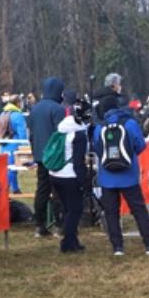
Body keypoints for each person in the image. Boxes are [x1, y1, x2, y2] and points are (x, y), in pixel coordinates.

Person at [93, 94, 149, 257]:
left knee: (111, 212)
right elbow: (141, 146)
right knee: (139, 210)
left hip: (107, 177)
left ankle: (118, 247)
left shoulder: (100, 127)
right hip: (128, 175)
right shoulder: (130, 123)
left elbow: (98, 149)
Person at [49, 92, 90, 254]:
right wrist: (85, 182)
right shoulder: (79, 135)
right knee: (75, 210)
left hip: (55, 174)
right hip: (69, 176)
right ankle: (67, 243)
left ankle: (73, 241)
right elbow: (79, 163)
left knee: (68, 209)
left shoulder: (62, 128)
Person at [28, 77, 66, 238]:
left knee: (42, 190)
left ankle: (40, 225)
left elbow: (31, 134)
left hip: (40, 154)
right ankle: (58, 224)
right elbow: (61, 133)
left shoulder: (34, 109)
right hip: (55, 156)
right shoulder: (58, 109)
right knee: (58, 190)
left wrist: (35, 152)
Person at [0, 95, 28, 194]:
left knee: (7, 169)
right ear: (17, 103)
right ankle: (6, 190)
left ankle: (13, 189)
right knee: (13, 169)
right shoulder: (17, 115)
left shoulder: (3, 113)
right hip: (13, 144)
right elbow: (22, 133)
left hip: (3, 145)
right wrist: (24, 146)